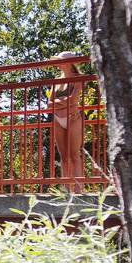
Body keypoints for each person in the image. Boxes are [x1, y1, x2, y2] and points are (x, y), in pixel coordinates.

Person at [49, 51, 85, 192]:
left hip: (73, 119)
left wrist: (59, 102)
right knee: (64, 157)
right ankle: (66, 190)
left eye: (60, 61)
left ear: (69, 63)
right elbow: (49, 104)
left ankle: (79, 190)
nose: (57, 63)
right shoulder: (56, 81)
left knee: (75, 155)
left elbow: (74, 99)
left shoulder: (78, 78)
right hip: (58, 120)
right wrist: (66, 102)